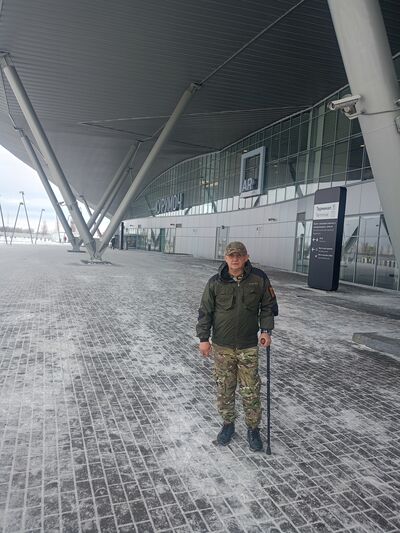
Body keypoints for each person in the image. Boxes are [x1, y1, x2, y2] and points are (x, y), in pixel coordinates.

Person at [196, 241, 278, 451]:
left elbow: (268, 306)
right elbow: (205, 312)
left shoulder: (259, 279)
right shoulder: (215, 282)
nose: (235, 259)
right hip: (222, 347)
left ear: (246, 257)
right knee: (225, 388)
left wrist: (266, 331)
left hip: (248, 346)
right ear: (225, 258)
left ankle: (253, 429)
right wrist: (203, 339)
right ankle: (228, 424)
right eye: (231, 255)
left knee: (251, 390)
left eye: (239, 255)